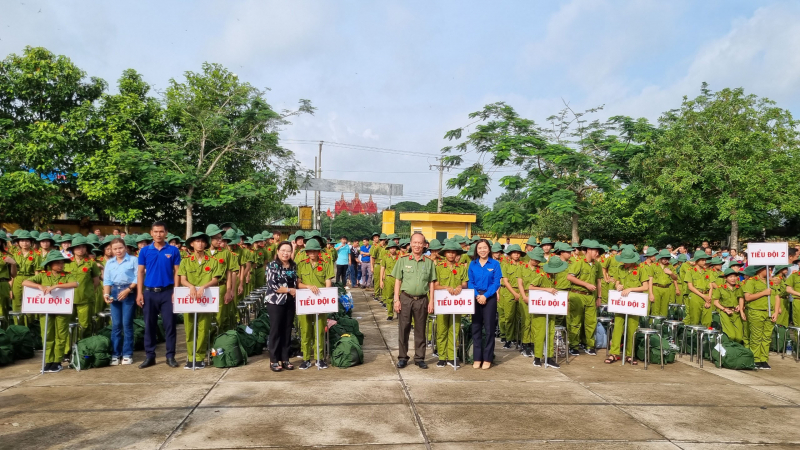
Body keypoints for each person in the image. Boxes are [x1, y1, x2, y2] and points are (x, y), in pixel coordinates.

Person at [22, 250, 79, 373]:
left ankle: (57, 361)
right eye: (57, 263)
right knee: (47, 335)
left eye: (62, 262)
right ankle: (48, 361)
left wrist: (56, 286)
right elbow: (24, 282)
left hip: (61, 310)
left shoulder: (67, 275)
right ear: (50, 264)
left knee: (60, 335)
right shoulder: (42, 275)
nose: (61, 265)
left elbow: (75, 283)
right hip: (45, 310)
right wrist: (39, 286)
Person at [136, 221, 181, 369]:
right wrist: (139, 293)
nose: (158, 234)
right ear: (151, 233)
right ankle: (150, 356)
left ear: (166, 233)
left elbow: (177, 272)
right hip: (149, 293)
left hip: (168, 293)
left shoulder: (173, 250)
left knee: (170, 325)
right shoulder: (144, 251)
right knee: (149, 325)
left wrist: (176, 290)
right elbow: (141, 272)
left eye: (161, 231)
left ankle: (170, 356)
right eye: (155, 232)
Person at [177, 232, 225, 369]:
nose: (200, 244)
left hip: (206, 298)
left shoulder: (213, 261)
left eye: (203, 241)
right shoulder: (186, 261)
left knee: (204, 328)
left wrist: (203, 286)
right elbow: (182, 279)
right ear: (191, 244)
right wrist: (191, 286)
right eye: (197, 241)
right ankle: (190, 357)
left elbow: (216, 278)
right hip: (189, 298)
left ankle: (199, 357)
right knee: (189, 327)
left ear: (206, 244)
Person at [392, 232, 437, 369]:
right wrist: (396, 300)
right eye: (415, 242)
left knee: (420, 329)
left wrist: (431, 301)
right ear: (410, 244)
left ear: (424, 245)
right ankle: (402, 357)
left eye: (420, 243)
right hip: (405, 298)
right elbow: (397, 281)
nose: (417, 245)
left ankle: (419, 357)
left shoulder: (429, 263)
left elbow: (431, 283)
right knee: (404, 328)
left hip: (422, 299)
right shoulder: (403, 260)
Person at [519, 248, 564, 368]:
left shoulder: (553, 278)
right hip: (539, 309)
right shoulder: (542, 275)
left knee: (550, 332)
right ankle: (537, 357)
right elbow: (530, 287)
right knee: (540, 333)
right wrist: (546, 289)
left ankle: (549, 357)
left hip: (550, 308)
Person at [605, 246, 649, 365]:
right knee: (618, 326)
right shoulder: (620, 268)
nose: (625, 262)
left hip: (634, 302)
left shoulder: (641, 269)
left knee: (632, 328)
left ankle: (630, 354)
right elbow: (617, 282)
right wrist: (617, 286)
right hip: (621, 302)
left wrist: (631, 289)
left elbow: (645, 287)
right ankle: (614, 353)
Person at [296, 239, 334, 370]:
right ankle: (306, 359)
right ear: (307, 252)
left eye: (315, 250)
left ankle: (319, 358)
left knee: (319, 330)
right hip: (305, 302)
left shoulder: (326, 264)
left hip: (320, 302)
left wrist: (326, 296)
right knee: (305, 330)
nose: (312, 253)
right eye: (310, 251)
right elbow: (298, 284)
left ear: (319, 251)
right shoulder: (301, 265)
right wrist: (308, 286)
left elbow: (328, 281)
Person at [102, 238, 139, 366]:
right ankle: (115, 354)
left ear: (125, 248)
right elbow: (107, 280)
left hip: (129, 291)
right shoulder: (110, 263)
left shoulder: (133, 260)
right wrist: (106, 294)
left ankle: (127, 353)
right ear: (111, 250)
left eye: (120, 248)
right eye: (115, 249)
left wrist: (128, 290)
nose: (118, 251)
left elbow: (138, 277)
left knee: (126, 323)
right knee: (116, 325)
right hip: (114, 292)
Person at [432, 240, 469, 367]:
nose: (451, 255)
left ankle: (452, 357)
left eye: (453, 252)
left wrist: (460, 286)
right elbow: (435, 286)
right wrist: (445, 287)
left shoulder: (461, 268)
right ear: (445, 254)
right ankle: (442, 356)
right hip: (443, 303)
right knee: (441, 329)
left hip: (456, 304)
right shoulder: (438, 267)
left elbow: (465, 283)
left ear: (457, 254)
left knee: (454, 329)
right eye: (449, 252)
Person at [468, 239, 502, 369]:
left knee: (489, 328)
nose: (482, 250)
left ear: (489, 249)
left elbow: (496, 282)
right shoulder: (473, 264)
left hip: (490, 297)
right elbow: (471, 282)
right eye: (479, 248)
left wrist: (485, 296)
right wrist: (477, 295)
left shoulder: (495, 264)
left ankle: (487, 358)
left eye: (485, 248)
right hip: (476, 297)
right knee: (475, 327)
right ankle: (477, 357)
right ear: (476, 250)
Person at [265, 241, 298, 372]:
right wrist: (290, 290)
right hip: (275, 302)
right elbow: (274, 286)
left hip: (290, 302)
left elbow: (296, 282)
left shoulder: (293, 266)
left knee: (287, 329)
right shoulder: (272, 265)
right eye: (283, 250)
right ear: (278, 251)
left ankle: (285, 359)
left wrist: (293, 291)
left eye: (288, 251)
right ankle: (274, 359)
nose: (285, 253)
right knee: (276, 330)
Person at [566, 239, 603, 356]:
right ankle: (573, 346)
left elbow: (599, 281)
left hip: (591, 297)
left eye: (598, 251)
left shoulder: (597, 264)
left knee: (591, 322)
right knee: (575, 321)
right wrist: (585, 284)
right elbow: (569, 277)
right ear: (588, 250)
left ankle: (590, 345)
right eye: (595, 251)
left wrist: (599, 297)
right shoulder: (579, 263)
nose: (597, 254)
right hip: (577, 295)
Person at [743, 265, 779, 369]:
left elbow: (777, 297)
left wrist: (776, 312)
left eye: (771, 269)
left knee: (767, 337)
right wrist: (763, 293)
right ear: (760, 270)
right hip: (756, 312)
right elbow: (747, 297)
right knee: (756, 337)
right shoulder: (752, 281)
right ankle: (755, 359)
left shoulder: (771, 282)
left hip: (769, 312)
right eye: (768, 268)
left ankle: (764, 359)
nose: (771, 271)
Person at [712, 268, 745, 344]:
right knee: (731, 335)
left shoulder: (738, 287)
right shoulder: (720, 288)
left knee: (739, 337)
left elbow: (741, 298)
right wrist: (724, 309)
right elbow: (716, 302)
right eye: (730, 277)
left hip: (736, 313)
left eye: (734, 276)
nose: (733, 279)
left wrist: (740, 307)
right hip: (725, 313)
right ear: (725, 278)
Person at [380, 241, 401, 320]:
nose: (392, 250)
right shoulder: (385, 257)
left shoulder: (399, 257)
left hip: (397, 279)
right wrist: (381, 280)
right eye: (391, 248)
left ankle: (399, 312)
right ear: (388, 249)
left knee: (399, 296)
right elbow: (382, 268)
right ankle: (390, 314)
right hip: (388, 278)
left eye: (394, 248)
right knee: (389, 297)